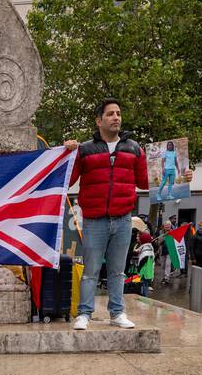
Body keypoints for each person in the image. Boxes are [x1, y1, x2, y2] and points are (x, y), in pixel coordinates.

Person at [63, 99, 147, 330]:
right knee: (90, 270)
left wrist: (182, 176)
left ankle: (117, 313)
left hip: (123, 219)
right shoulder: (84, 150)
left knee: (117, 271)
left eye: (118, 113)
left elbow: (146, 181)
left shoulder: (134, 149)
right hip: (94, 220)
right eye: (110, 114)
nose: (116, 117)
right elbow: (67, 179)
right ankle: (84, 314)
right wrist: (65, 153)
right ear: (99, 120)